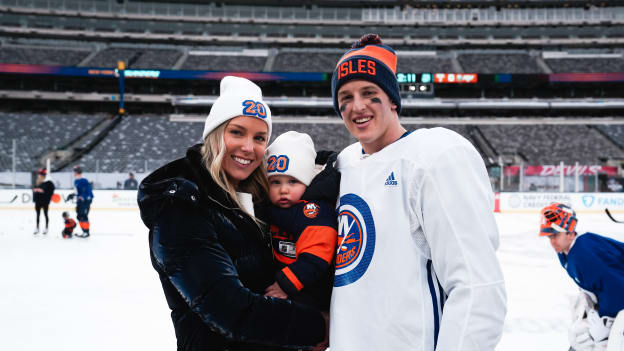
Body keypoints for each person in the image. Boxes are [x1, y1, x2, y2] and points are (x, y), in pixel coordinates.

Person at [329, 34, 506, 351]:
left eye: (370, 93)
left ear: (393, 99)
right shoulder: (342, 166)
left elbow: (477, 287)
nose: (357, 106)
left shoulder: (433, 155)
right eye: (346, 96)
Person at [137, 76, 327, 351]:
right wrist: (319, 326)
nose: (249, 147)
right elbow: (228, 309)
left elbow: (299, 175)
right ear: (214, 134)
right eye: (237, 132)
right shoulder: (180, 209)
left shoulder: (255, 199)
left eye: (259, 138)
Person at [263, 131, 338, 311]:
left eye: (292, 182)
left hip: (309, 290)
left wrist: (285, 284)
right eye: (275, 182)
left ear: (307, 181)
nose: (283, 190)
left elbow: (316, 257)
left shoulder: (313, 212)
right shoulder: (274, 207)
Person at [539, 203, 624, 351]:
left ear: (570, 233)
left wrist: (606, 321)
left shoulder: (583, 254)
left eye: (556, 235)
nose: (552, 241)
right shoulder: (565, 253)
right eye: (549, 237)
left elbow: (616, 288)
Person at [71, 165, 93, 238]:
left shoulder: (84, 180)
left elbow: (88, 191)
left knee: (84, 216)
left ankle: (86, 232)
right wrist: (72, 195)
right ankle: (84, 231)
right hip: (80, 201)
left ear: (77, 172)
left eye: (75, 171)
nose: (74, 172)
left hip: (86, 200)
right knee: (79, 216)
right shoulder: (76, 181)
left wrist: (83, 197)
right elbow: (76, 191)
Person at [32, 167, 55, 235]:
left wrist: (43, 191)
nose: (38, 175)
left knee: (45, 214)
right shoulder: (37, 181)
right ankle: (37, 228)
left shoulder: (48, 182)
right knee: (38, 215)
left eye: (40, 174)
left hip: (45, 201)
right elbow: (35, 189)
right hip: (38, 201)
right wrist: (36, 190)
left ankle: (46, 228)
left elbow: (51, 190)